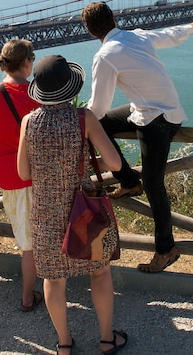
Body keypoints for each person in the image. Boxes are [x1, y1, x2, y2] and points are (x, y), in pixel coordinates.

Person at [81, 1, 193, 274]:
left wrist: (78, 120)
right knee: (101, 124)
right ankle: (128, 180)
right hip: (161, 109)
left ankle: (166, 249)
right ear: (114, 18)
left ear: (90, 32)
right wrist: (190, 27)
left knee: (154, 184)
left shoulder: (104, 56)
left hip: (157, 120)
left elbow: (98, 108)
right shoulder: (136, 35)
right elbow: (168, 36)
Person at [17, 55, 128, 355]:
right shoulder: (83, 119)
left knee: (53, 280)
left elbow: (24, 173)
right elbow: (115, 163)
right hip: (84, 212)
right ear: (69, 87)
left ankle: (64, 344)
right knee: (100, 272)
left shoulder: (29, 122)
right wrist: (89, 159)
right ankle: (106, 339)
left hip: (45, 213)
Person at [0, 39, 43, 312]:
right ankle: (28, 296)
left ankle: (36, 292)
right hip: (36, 174)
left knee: (27, 239)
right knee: (38, 241)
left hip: (7, 174)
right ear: (27, 62)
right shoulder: (38, 93)